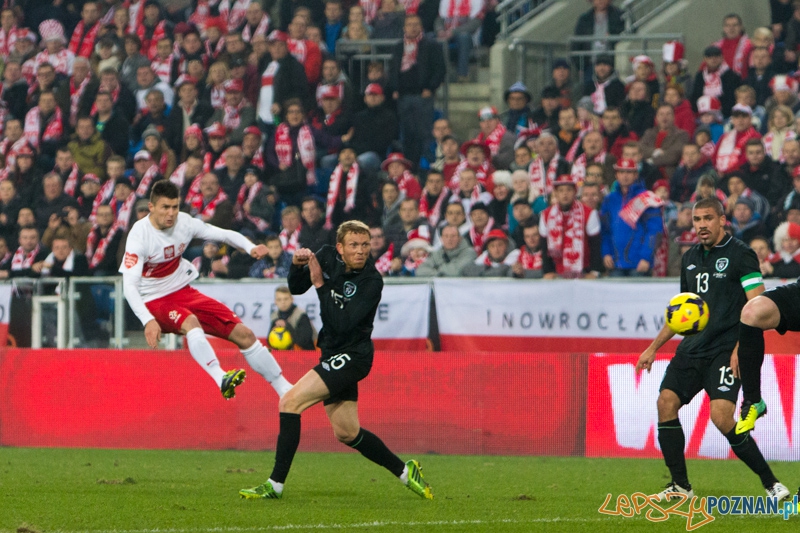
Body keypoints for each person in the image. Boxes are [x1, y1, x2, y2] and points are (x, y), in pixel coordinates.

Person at [239, 220, 433, 500]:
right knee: (347, 432)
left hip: (354, 356)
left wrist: (320, 284)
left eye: (365, 245)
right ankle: (405, 471)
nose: (361, 251)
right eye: (354, 245)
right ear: (340, 247)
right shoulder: (327, 255)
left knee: (290, 402)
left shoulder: (371, 281)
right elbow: (296, 288)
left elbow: (342, 324)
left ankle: (275, 485)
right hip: (332, 352)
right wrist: (296, 266)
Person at [635, 197, 790, 503]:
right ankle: (680, 486)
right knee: (666, 403)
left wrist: (741, 348)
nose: (702, 225)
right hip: (692, 349)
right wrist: (652, 348)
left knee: (721, 416)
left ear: (722, 220)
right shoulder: (691, 258)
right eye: (697, 220)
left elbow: (759, 306)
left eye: (708, 218)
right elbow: (683, 312)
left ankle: (771, 483)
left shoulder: (741, 254)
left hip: (725, 350)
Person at [120, 181, 293, 401]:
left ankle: (285, 389)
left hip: (183, 291)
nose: (171, 213)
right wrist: (148, 320)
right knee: (191, 322)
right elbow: (129, 286)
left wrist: (250, 248)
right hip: (153, 300)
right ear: (152, 207)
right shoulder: (139, 235)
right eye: (165, 207)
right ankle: (221, 378)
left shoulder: (185, 223)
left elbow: (224, 235)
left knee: (245, 334)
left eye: (175, 207)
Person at [600, 158, 664, 276]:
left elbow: (655, 231)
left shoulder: (646, 198)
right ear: (616, 175)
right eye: (621, 172)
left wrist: (646, 257)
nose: (625, 176)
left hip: (639, 264)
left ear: (635, 175)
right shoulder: (609, 200)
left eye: (629, 172)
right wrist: (606, 253)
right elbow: (605, 230)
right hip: (615, 263)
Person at [539, 176, 602, 279]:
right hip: (556, 272)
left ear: (575, 192)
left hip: (583, 271)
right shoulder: (545, 215)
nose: (565, 194)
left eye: (569, 190)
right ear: (556, 193)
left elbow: (595, 245)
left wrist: (594, 271)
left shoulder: (589, 213)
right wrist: (548, 271)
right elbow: (544, 245)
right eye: (561, 190)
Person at [269, 286, 317, 350]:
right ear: (275, 301)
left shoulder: (301, 315)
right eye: (279, 299)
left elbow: (305, 341)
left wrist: (287, 326)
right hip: (284, 352)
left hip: (306, 353)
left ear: (292, 299)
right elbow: (269, 340)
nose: (283, 302)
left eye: (286, 299)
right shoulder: (275, 316)